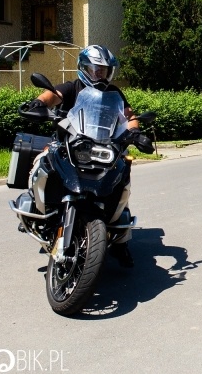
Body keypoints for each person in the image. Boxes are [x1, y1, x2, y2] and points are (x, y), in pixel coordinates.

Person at [25, 44, 138, 268]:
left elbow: (129, 115)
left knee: (122, 175)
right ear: (84, 67)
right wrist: (38, 103)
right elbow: (52, 96)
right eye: (95, 69)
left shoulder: (113, 93)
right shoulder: (72, 87)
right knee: (42, 158)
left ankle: (120, 237)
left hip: (103, 148)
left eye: (103, 70)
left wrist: (134, 131)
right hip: (69, 143)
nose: (99, 74)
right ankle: (37, 207)